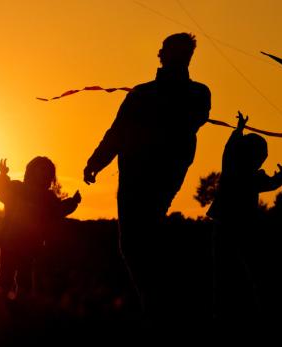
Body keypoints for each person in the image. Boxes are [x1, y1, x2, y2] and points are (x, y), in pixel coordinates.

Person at [83, 33, 211, 329]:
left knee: (134, 240)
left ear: (165, 56)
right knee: (143, 237)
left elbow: (120, 131)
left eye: (168, 51)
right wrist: (96, 162)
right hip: (153, 173)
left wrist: (96, 162)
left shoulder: (160, 95)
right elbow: (119, 131)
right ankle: (158, 303)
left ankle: (156, 306)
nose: (164, 55)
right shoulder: (192, 94)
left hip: (146, 174)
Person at [207, 111, 282, 337]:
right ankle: (248, 312)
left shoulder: (231, 168)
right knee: (246, 269)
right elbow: (271, 183)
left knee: (225, 270)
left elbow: (229, 147)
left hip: (226, 224)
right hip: (242, 227)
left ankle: (226, 313)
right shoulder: (250, 176)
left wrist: (239, 129)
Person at [0, 157, 81, 299]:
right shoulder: (17, 188)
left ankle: (21, 307)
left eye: (48, 172)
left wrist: (73, 202)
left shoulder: (48, 197)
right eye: (41, 169)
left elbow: (57, 211)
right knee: (5, 276)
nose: (44, 174)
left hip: (30, 245)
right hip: (10, 242)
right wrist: (3, 176)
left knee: (25, 279)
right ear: (32, 171)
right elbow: (2, 191)